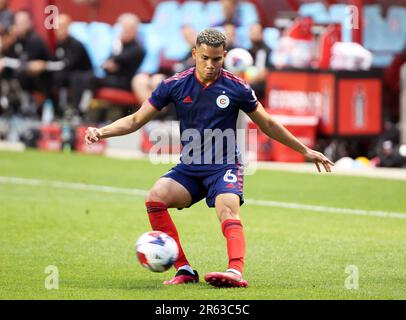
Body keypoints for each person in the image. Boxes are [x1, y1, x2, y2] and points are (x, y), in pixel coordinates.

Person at [85, 29, 333, 288]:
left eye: (217, 59)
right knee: (155, 197)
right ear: (194, 54)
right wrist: (102, 132)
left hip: (225, 166)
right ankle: (184, 269)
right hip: (189, 169)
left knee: (227, 209)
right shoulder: (175, 84)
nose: (211, 65)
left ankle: (235, 271)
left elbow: (268, 124)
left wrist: (304, 150)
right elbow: (136, 119)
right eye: (205, 58)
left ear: (224, 56)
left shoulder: (237, 88)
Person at [74, 13, 145, 113]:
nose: (123, 32)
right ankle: (75, 107)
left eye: (126, 30)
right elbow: (106, 63)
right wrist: (111, 62)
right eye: (122, 29)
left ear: (134, 30)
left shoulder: (137, 48)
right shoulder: (120, 45)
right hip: (112, 78)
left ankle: (82, 110)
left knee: (91, 79)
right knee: (79, 76)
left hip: (125, 82)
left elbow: (119, 59)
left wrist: (113, 61)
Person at [31, 14, 93, 117]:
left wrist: (45, 65)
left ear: (69, 27)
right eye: (57, 27)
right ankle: (52, 107)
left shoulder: (76, 45)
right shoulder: (59, 44)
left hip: (81, 76)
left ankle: (77, 112)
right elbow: (57, 62)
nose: (59, 30)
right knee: (44, 76)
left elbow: (67, 64)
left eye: (62, 26)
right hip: (67, 74)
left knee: (70, 77)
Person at [245, 23, 272, 101]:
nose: (254, 36)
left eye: (257, 33)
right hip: (248, 81)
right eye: (252, 33)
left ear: (262, 34)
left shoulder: (266, 50)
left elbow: (264, 73)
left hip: (261, 85)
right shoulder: (247, 51)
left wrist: (249, 81)